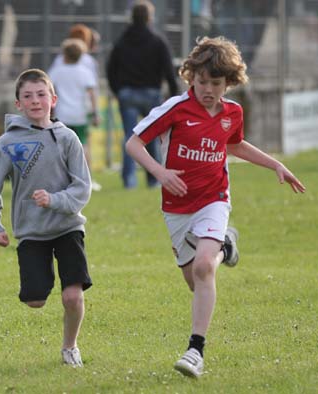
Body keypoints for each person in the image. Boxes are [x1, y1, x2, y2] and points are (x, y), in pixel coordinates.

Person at [125, 36, 306, 378]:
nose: (207, 89)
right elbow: (134, 142)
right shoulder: (176, 109)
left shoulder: (232, 112)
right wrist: (160, 172)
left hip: (214, 198)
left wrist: (275, 165)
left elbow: (235, 146)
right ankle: (226, 244)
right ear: (190, 76)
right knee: (195, 280)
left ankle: (195, 351)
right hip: (176, 208)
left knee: (205, 268)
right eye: (201, 81)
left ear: (229, 83)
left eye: (216, 83)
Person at [0, 68, 93, 367]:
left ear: (53, 99)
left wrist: (54, 200)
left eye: (41, 94)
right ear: (18, 104)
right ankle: (44, 278)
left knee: (72, 296)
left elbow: (82, 188)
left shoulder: (67, 138)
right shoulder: (7, 143)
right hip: (31, 232)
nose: (35, 100)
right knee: (35, 300)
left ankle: (70, 347)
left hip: (68, 226)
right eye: (27, 96)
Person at [106, 0, 179, 189]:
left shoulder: (121, 41)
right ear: (149, 18)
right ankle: (153, 179)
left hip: (127, 94)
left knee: (130, 138)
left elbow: (111, 69)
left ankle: (129, 181)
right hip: (152, 95)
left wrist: (118, 91)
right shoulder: (157, 40)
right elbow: (169, 70)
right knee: (151, 138)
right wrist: (173, 96)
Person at [48, 38, 100, 190]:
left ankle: (61, 180)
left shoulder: (56, 71)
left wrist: (50, 112)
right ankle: (86, 180)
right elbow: (92, 94)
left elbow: (49, 90)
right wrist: (95, 113)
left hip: (62, 115)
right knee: (83, 146)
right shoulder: (85, 72)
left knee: (60, 148)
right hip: (80, 115)